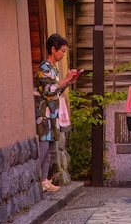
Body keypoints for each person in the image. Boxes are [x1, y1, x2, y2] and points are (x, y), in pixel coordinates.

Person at [35, 33, 79, 193]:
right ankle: (36, 179)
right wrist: (65, 80)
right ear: (53, 50)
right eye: (62, 50)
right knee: (44, 146)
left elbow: (57, 92)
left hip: (52, 113)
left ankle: (44, 180)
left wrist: (67, 82)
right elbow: (48, 90)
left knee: (49, 147)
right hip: (43, 113)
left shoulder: (53, 69)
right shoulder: (44, 68)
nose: (63, 53)